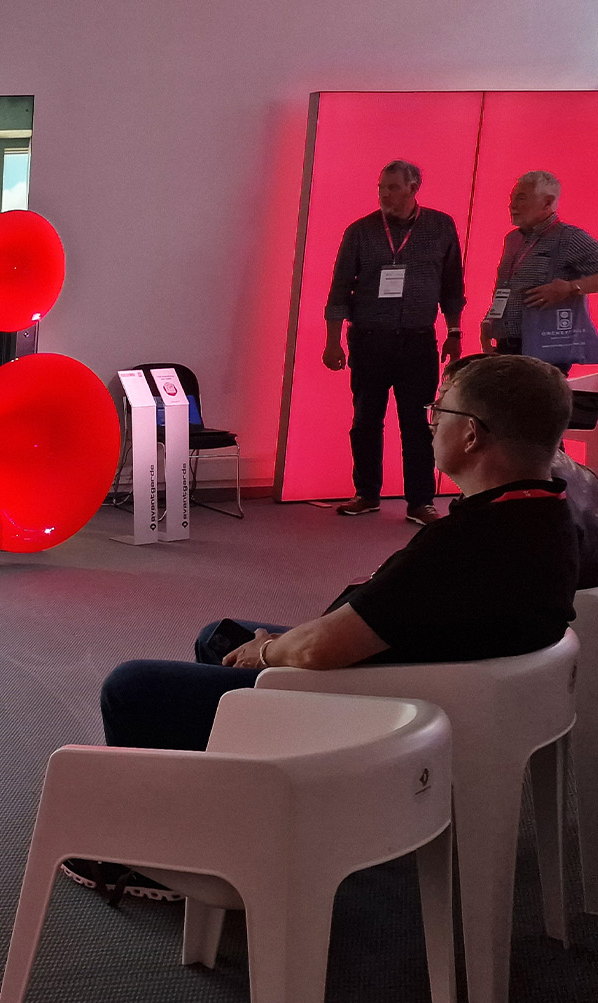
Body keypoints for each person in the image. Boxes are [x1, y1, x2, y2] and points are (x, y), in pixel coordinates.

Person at [74, 354, 577, 903]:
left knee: (133, 687)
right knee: (221, 637)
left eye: (441, 410)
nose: (431, 421)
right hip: (432, 684)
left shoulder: (464, 544)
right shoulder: (550, 515)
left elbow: (320, 649)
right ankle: (237, 813)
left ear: (473, 435)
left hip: (375, 707)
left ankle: (171, 859)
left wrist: (268, 654)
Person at [324, 160, 466, 527]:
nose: (384, 194)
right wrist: (332, 341)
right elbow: (339, 289)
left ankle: (421, 501)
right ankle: (367, 493)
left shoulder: (441, 226)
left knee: (417, 423)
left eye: (392, 187)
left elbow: (452, 286)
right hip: (369, 339)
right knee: (366, 419)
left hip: (419, 341)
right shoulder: (360, 231)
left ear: (413, 187)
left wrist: (454, 332)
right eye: (381, 187)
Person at [481, 171, 598, 360]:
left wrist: (571, 288)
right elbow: (506, 288)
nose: (513, 205)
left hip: (546, 347)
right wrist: (490, 322)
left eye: (521, 198)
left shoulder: (569, 237)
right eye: (512, 198)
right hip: (507, 344)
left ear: (547, 203)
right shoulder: (513, 239)